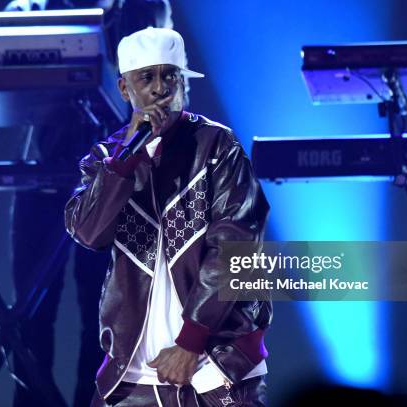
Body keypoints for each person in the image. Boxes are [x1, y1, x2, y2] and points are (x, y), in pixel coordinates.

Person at [65, 27, 272, 405]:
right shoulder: (106, 158)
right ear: (125, 89)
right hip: (134, 374)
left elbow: (236, 246)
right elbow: (87, 232)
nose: (161, 88)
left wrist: (190, 343)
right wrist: (125, 160)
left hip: (216, 365)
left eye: (170, 76)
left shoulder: (216, 145)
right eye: (147, 78)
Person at [3, 1, 176, 406]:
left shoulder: (145, 8)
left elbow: (161, 92)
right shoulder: (43, 6)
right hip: (43, 174)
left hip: (117, 180)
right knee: (29, 315)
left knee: (103, 319)